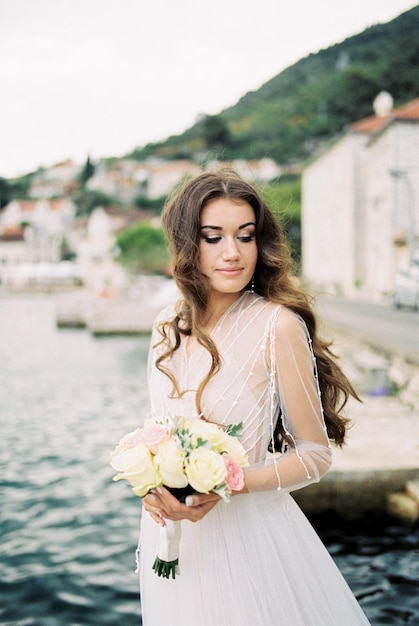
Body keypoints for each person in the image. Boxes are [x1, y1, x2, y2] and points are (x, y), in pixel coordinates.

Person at [139, 169, 370, 625]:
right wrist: (152, 486)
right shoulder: (166, 325)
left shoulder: (278, 325)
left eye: (245, 236)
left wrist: (230, 481)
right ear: (188, 245)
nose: (233, 252)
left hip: (247, 542)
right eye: (214, 237)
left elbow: (315, 455)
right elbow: (157, 430)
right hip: (171, 540)